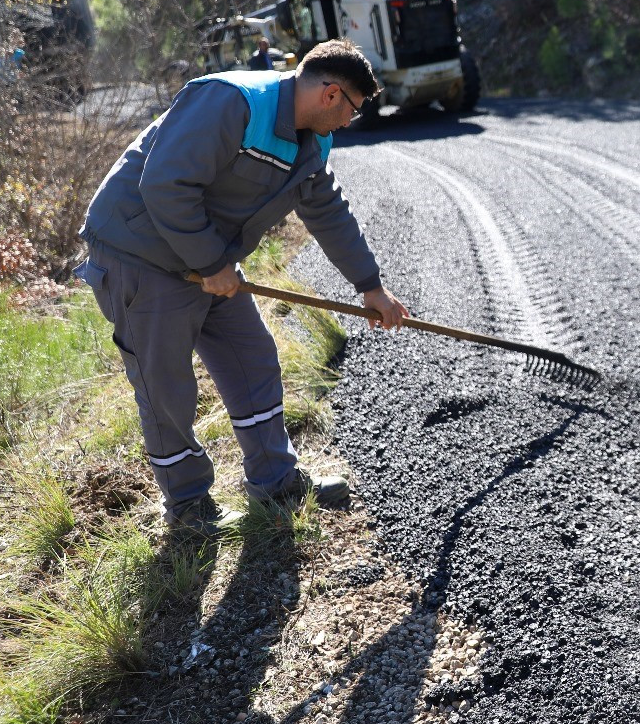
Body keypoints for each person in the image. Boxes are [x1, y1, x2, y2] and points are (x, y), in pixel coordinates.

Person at [76, 40, 410, 539]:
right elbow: (165, 184)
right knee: (165, 386)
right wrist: (211, 261)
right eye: (353, 112)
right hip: (139, 256)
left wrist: (370, 287)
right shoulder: (229, 101)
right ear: (331, 94)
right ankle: (188, 507)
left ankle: (274, 480)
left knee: (252, 357)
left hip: (206, 262)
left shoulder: (312, 142)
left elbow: (327, 212)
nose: (349, 124)